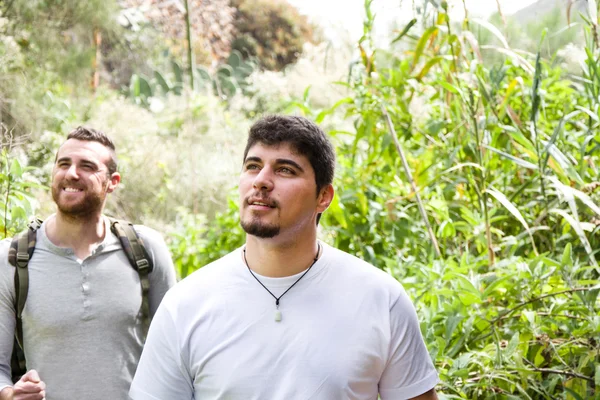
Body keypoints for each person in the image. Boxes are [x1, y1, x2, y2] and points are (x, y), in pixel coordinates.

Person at [129, 115, 439, 400]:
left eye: (285, 170)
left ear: (323, 197)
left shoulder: (380, 298)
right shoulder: (185, 305)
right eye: (252, 166)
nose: (261, 180)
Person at [0, 127, 177, 400]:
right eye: (63, 164)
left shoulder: (146, 250)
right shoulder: (12, 259)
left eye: (87, 166)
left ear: (112, 181)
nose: (71, 173)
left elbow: (175, 352)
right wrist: (11, 394)